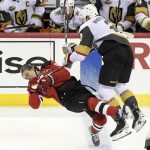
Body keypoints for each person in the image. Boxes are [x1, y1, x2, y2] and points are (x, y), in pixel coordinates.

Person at [63, 4, 146, 133]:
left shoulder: (87, 25)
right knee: (121, 86)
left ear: (86, 15)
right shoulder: (103, 21)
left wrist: (69, 56)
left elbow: (81, 54)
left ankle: (121, 121)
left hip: (113, 53)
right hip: (127, 50)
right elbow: (91, 46)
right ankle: (137, 113)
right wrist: (73, 48)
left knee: (104, 91)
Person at [21, 60, 131, 146]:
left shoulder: (48, 67)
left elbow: (66, 73)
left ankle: (93, 131)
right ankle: (120, 114)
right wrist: (33, 91)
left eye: (27, 74)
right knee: (92, 102)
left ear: (32, 68)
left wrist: (50, 78)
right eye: (25, 77)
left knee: (101, 120)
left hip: (78, 87)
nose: (27, 78)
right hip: (68, 99)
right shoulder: (34, 86)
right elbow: (34, 105)